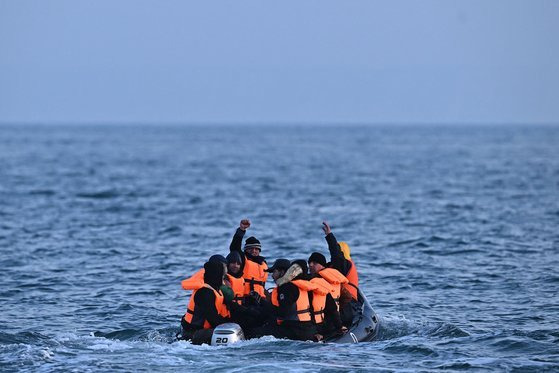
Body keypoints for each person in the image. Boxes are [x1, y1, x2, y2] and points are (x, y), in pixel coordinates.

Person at [251, 259, 317, 341]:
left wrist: (263, 305)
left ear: (282, 272)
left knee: (254, 333)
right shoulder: (301, 285)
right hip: (306, 328)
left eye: (274, 272)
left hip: (294, 330)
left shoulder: (287, 287)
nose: (272, 276)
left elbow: (283, 313)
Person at [178, 261, 231, 345]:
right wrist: (230, 324)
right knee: (228, 332)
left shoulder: (215, 289)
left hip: (201, 331)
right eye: (223, 276)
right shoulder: (205, 292)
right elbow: (212, 318)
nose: (224, 279)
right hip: (193, 333)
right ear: (216, 275)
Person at [308, 252, 348, 338]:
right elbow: (347, 297)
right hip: (336, 318)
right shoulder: (334, 277)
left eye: (314, 263)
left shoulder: (317, 280)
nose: (310, 265)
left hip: (325, 321)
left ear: (322, 265)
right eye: (309, 263)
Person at [229, 219, 268, 297]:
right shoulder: (242, 259)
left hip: (260, 297)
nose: (253, 251)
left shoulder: (264, 263)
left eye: (256, 249)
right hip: (245, 297)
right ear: (246, 250)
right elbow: (234, 247)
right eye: (250, 248)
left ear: (259, 250)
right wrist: (241, 230)